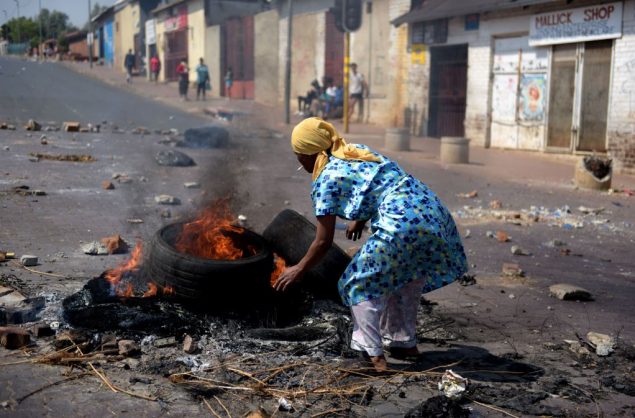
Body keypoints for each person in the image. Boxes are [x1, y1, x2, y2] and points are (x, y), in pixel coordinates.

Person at [274, 117, 468, 372]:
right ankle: (403, 342)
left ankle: (371, 356)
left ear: (311, 153)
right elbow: (378, 183)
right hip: (431, 214)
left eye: (300, 155)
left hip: (401, 223)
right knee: (407, 277)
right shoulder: (357, 151)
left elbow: (323, 241)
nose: (300, 162)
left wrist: (298, 268)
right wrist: (360, 218)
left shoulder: (325, 180)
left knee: (357, 283)